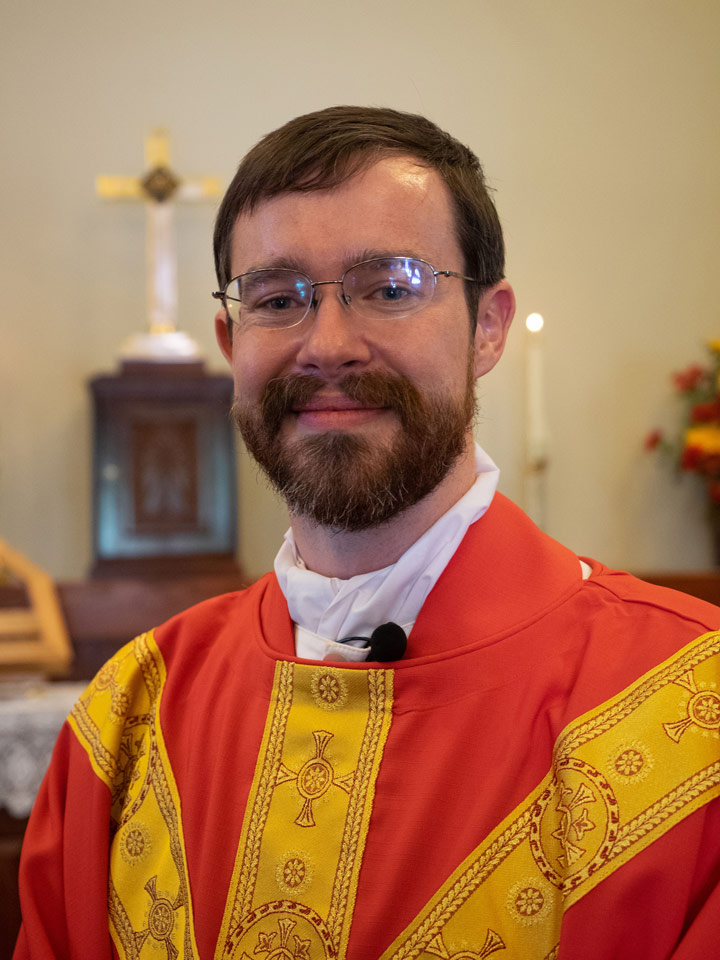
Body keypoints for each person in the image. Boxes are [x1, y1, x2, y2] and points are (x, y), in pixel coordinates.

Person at [14, 106, 720, 960]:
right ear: (232, 342)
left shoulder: (693, 715)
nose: (329, 344)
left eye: (390, 287)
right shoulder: (126, 722)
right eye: (279, 299)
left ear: (488, 326)